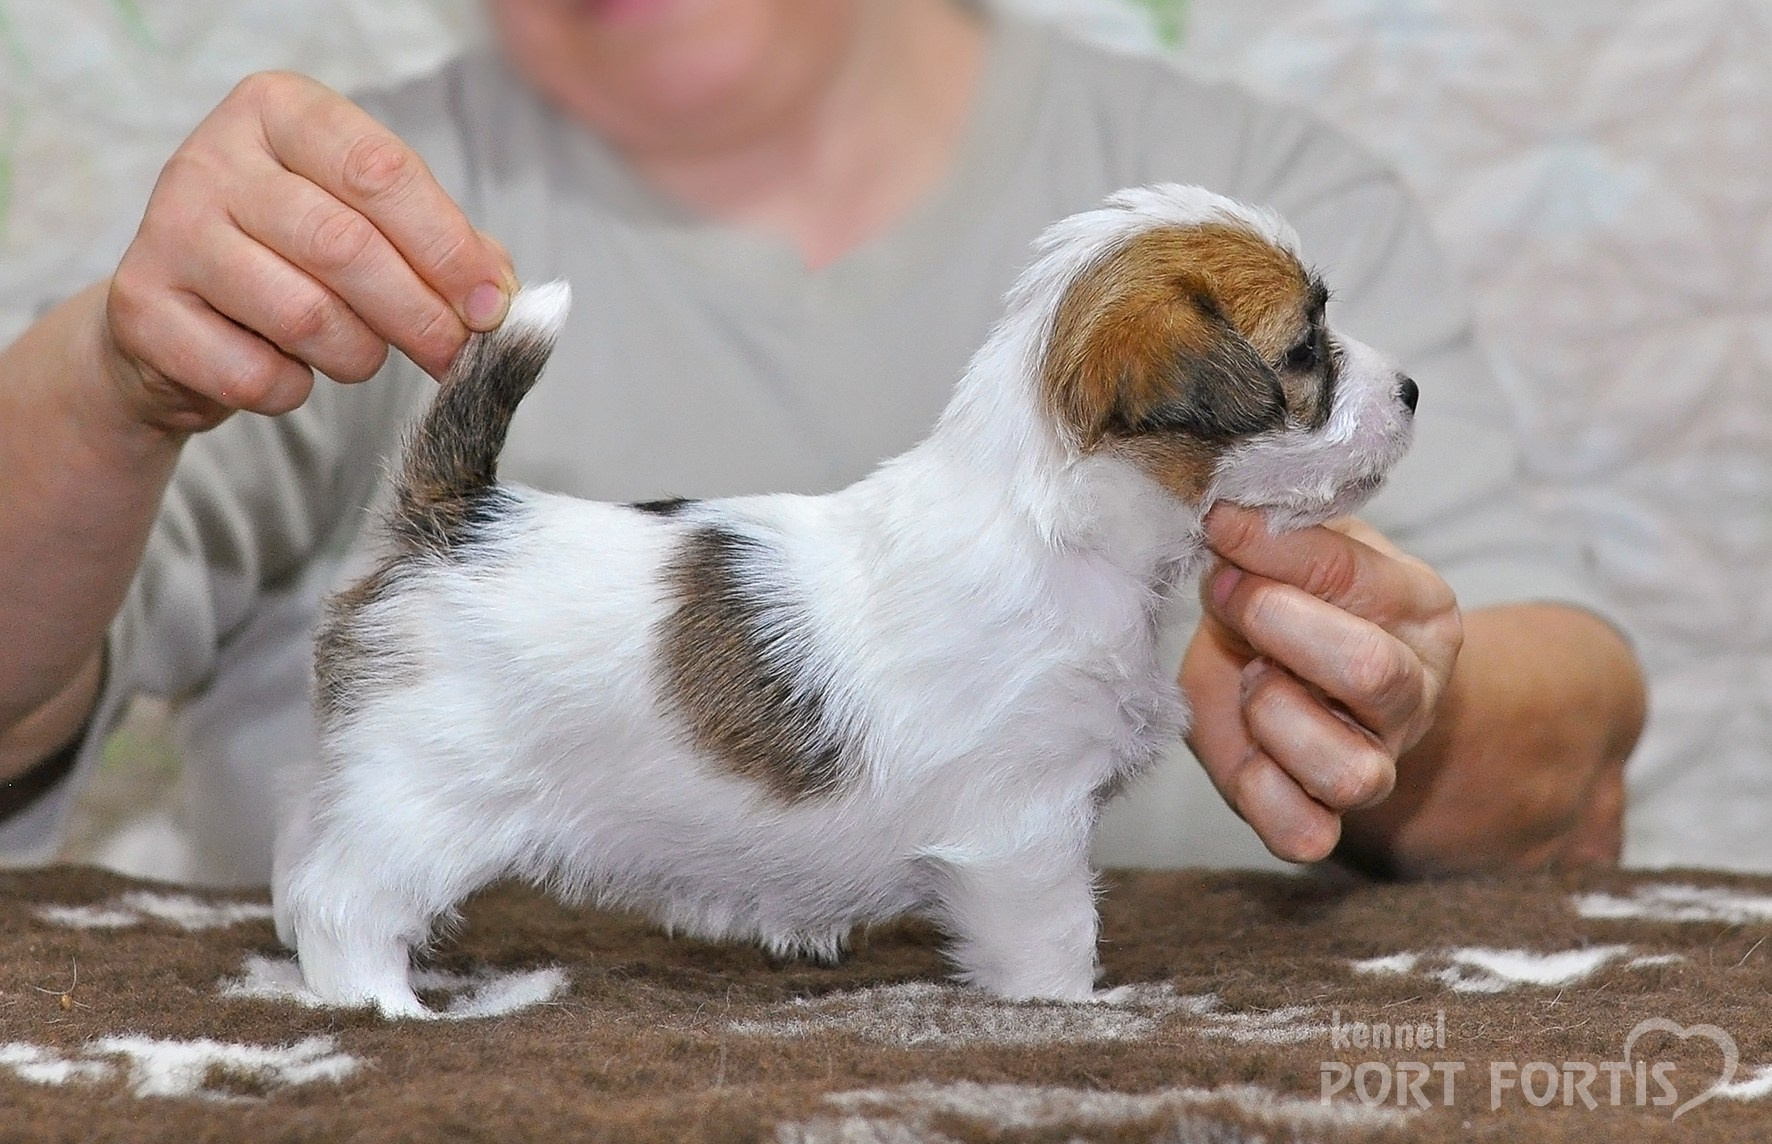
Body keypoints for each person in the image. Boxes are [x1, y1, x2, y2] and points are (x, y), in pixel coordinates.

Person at [0, 0, 1644, 885]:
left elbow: (1578, 742)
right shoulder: (338, 224)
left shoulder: (1249, 204)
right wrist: (106, 383)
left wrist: (1400, 703)